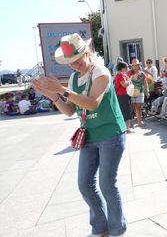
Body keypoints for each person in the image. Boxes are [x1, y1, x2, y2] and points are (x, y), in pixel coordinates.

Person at [32, 33, 127, 237]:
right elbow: (69, 110)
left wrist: (63, 90)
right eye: (69, 62)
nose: (73, 66)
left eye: (76, 60)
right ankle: (100, 227)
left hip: (110, 133)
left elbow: (92, 103)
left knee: (107, 184)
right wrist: (54, 95)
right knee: (84, 183)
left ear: (86, 53)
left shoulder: (101, 72)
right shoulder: (75, 78)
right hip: (90, 135)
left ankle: (117, 230)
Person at [128, 58, 149, 128]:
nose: (135, 67)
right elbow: (126, 81)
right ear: (132, 66)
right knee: (132, 107)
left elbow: (145, 82)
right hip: (132, 92)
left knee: (138, 107)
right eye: (134, 65)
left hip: (140, 91)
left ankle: (140, 121)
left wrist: (147, 91)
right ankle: (131, 123)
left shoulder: (142, 73)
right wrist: (131, 77)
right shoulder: (129, 73)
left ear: (138, 66)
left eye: (136, 65)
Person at [114, 61, 134, 133]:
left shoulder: (123, 75)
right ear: (122, 68)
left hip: (125, 95)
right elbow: (124, 85)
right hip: (122, 96)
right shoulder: (120, 75)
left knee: (127, 111)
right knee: (125, 112)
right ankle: (126, 128)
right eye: (126, 67)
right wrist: (129, 81)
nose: (127, 68)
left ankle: (127, 127)